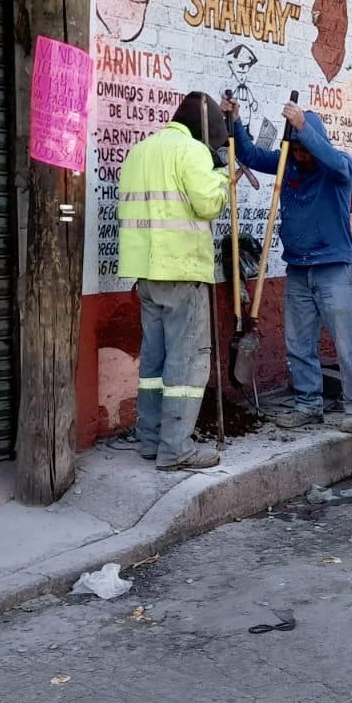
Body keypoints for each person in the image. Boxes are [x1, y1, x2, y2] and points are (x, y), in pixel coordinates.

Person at [226, 96, 352, 432]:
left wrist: (304, 129)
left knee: (345, 342)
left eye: (305, 149)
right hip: (298, 268)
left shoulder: (337, 168)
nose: (301, 156)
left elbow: (331, 160)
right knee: (299, 343)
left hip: (332, 267)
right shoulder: (287, 164)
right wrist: (235, 121)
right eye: (297, 149)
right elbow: (248, 154)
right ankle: (308, 404)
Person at [118, 92, 229, 471]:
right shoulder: (192, 152)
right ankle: (176, 448)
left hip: (146, 272)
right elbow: (208, 204)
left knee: (154, 360)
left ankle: (151, 441)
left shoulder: (140, 151)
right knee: (186, 362)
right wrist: (221, 175)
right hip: (181, 271)